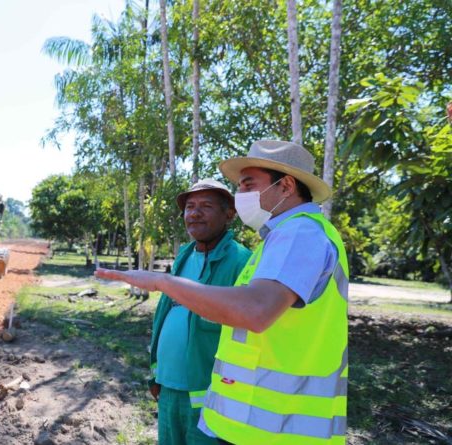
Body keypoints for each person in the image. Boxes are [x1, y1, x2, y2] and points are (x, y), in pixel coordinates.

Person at [96, 140, 348, 445]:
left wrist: (162, 282)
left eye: (248, 185)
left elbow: (254, 310)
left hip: (276, 430)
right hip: (253, 421)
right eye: (239, 187)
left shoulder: (300, 233)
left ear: (286, 186)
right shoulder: (277, 239)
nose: (241, 196)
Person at [150, 179, 251, 445]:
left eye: (206, 206)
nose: (194, 213)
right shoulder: (184, 255)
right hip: (169, 387)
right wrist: (157, 373)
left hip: (209, 394)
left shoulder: (241, 261)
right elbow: (167, 314)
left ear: (229, 214)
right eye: (190, 207)